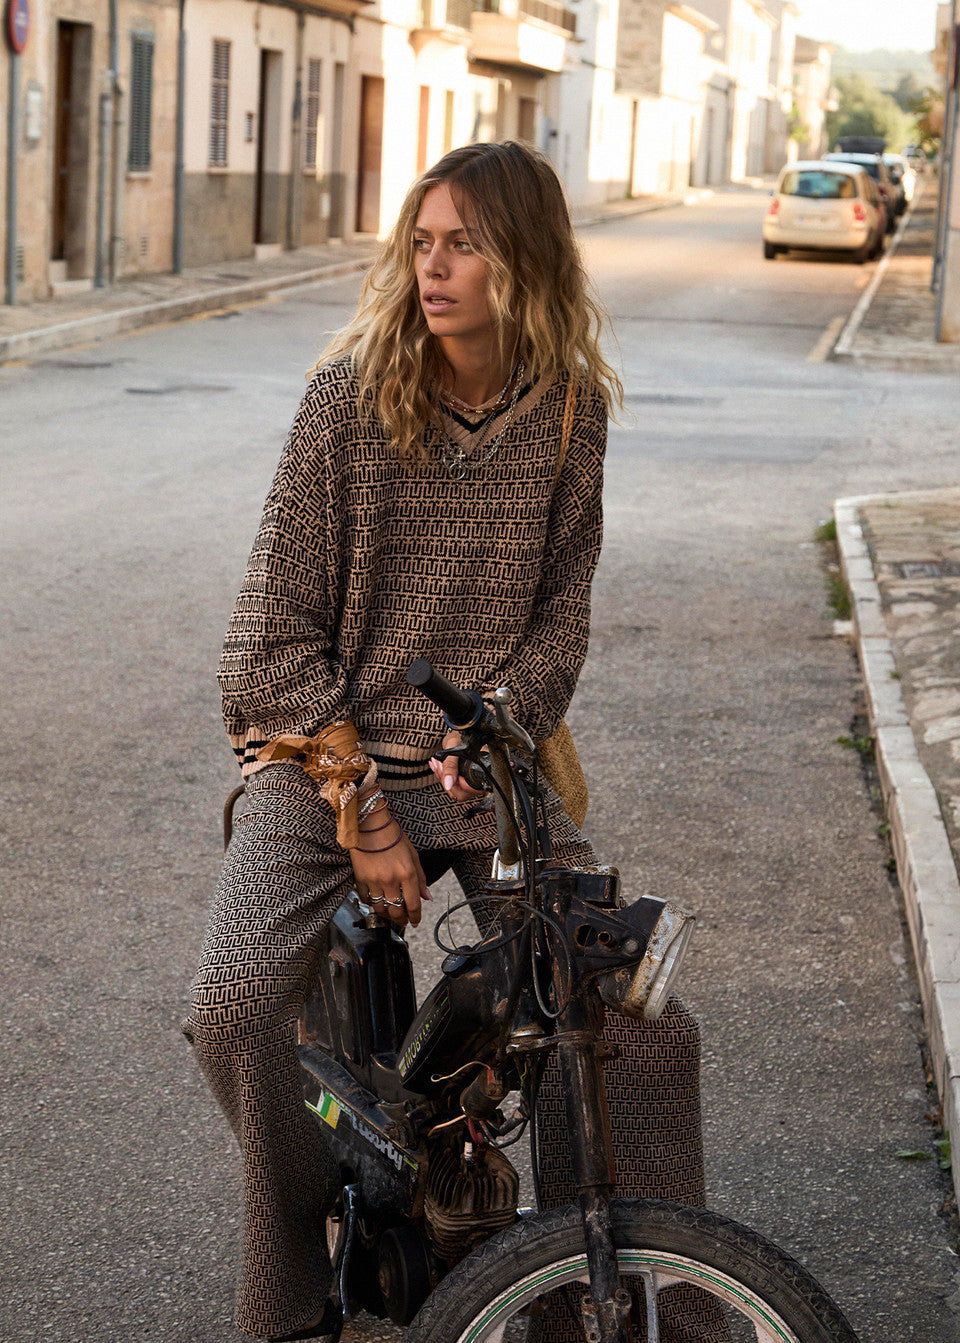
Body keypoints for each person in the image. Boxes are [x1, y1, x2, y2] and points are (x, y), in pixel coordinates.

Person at [184, 140, 724, 1342]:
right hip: (321, 752)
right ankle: (306, 1218)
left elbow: (557, 622)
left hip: (483, 764)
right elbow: (268, 636)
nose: (433, 267)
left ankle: (631, 1300)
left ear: (521, 262)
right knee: (230, 999)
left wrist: (496, 728)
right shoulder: (344, 401)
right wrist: (361, 805)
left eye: (463, 244)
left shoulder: (570, 411)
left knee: (627, 1020)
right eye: (421, 242)